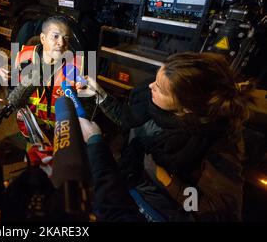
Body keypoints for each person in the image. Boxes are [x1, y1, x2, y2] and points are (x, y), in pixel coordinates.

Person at [79, 52, 254, 221]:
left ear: (186, 109)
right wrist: (100, 95)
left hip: (154, 208)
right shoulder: (155, 101)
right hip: (130, 178)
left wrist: (169, 182)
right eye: (156, 78)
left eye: (160, 88)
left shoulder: (218, 151)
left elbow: (220, 214)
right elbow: (129, 118)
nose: (150, 86)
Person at [14, 16, 85, 171]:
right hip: (33, 131)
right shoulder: (23, 59)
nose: (61, 43)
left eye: (65, 38)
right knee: (35, 171)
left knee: (60, 176)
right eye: (55, 36)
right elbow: (13, 91)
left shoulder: (75, 65)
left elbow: (83, 105)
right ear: (42, 38)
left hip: (61, 134)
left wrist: (83, 90)